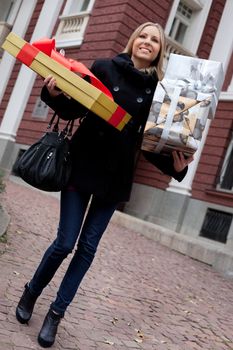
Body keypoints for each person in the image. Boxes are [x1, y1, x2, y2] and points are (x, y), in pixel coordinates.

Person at [15, 22, 193, 348]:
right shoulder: (105, 67)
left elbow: (149, 142)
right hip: (81, 167)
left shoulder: (160, 92)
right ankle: (31, 292)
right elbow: (73, 108)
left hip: (115, 179)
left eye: (155, 39)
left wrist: (176, 168)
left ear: (159, 50)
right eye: (144, 35)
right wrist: (53, 92)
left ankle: (56, 313)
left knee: (87, 249)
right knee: (65, 242)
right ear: (134, 39)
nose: (147, 41)